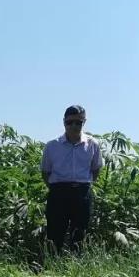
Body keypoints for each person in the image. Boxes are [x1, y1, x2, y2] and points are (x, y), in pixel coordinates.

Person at [41, 105, 103, 253]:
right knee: (55, 232)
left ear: (84, 122)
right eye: (70, 122)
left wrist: (86, 185)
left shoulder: (92, 144)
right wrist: (56, 188)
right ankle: (51, 266)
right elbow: (45, 172)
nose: (74, 126)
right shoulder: (52, 146)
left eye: (78, 122)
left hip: (82, 192)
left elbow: (96, 168)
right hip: (58, 192)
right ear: (64, 122)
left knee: (79, 233)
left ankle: (75, 269)